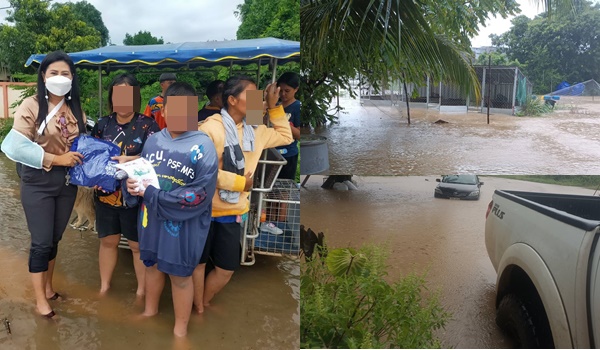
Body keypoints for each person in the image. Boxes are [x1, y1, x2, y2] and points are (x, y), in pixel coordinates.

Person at [125, 82, 218, 337]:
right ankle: (149, 312)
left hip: (183, 225)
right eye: (172, 109)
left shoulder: (203, 146)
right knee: (151, 266)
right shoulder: (153, 141)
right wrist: (132, 186)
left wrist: (154, 194)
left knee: (180, 276)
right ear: (162, 111)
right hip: (151, 219)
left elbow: (200, 194)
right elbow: (142, 177)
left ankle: (180, 331)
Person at [194, 76, 293, 313]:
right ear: (232, 100)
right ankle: (198, 308)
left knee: (226, 269)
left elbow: (286, 137)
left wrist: (275, 105)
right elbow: (200, 172)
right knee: (197, 265)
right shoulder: (209, 128)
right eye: (252, 96)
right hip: (203, 210)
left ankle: (204, 301)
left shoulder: (255, 130)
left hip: (232, 211)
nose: (257, 100)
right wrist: (240, 183)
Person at [10, 51, 87, 318]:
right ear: (43, 76)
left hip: (66, 184)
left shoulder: (76, 108)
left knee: (55, 239)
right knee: (41, 242)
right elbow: (15, 147)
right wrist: (57, 158)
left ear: (72, 78)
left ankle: (50, 287)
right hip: (38, 181)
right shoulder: (31, 106)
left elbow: (81, 146)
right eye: (53, 73)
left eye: (65, 73)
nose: (59, 78)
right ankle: (40, 300)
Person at [91, 73, 160, 296]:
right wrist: (93, 179)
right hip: (106, 195)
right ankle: (103, 287)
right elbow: (93, 157)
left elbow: (157, 159)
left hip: (137, 196)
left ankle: (141, 292)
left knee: (137, 246)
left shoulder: (148, 125)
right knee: (108, 242)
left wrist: (127, 160)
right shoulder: (102, 124)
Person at [275, 72, 301, 180]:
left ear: (296, 89)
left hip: (287, 154)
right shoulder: (274, 105)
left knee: (285, 186)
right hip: (271, 153)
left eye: (287, 91)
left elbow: (300, 135)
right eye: (280, 91)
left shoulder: (297, 107)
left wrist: (284, 123)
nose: (283, 94)